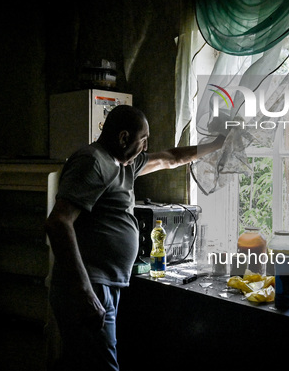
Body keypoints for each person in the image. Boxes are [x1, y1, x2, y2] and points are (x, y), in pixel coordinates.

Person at [45, 105, 225, 371]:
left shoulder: (126, 163)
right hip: (88, 286)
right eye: (143, 140)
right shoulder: (94, 161)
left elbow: (172, 158)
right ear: (123, 138)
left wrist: (218, 144)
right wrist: (84, 293)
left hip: (106, 283)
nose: (146, 146)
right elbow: (58, 222)